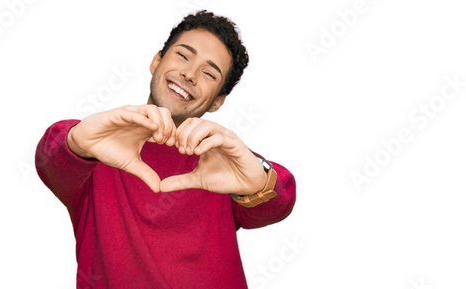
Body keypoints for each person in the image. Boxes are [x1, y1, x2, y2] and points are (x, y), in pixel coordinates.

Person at [36, 10, 296, 289]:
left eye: (209, 73)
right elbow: (51, 158)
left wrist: (258, 182)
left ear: (218, 101)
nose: (189, 74)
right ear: (156, 61)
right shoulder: (96, 149)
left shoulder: (223, 162)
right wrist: (76, 141)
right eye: (183, 55)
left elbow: (279, 203)